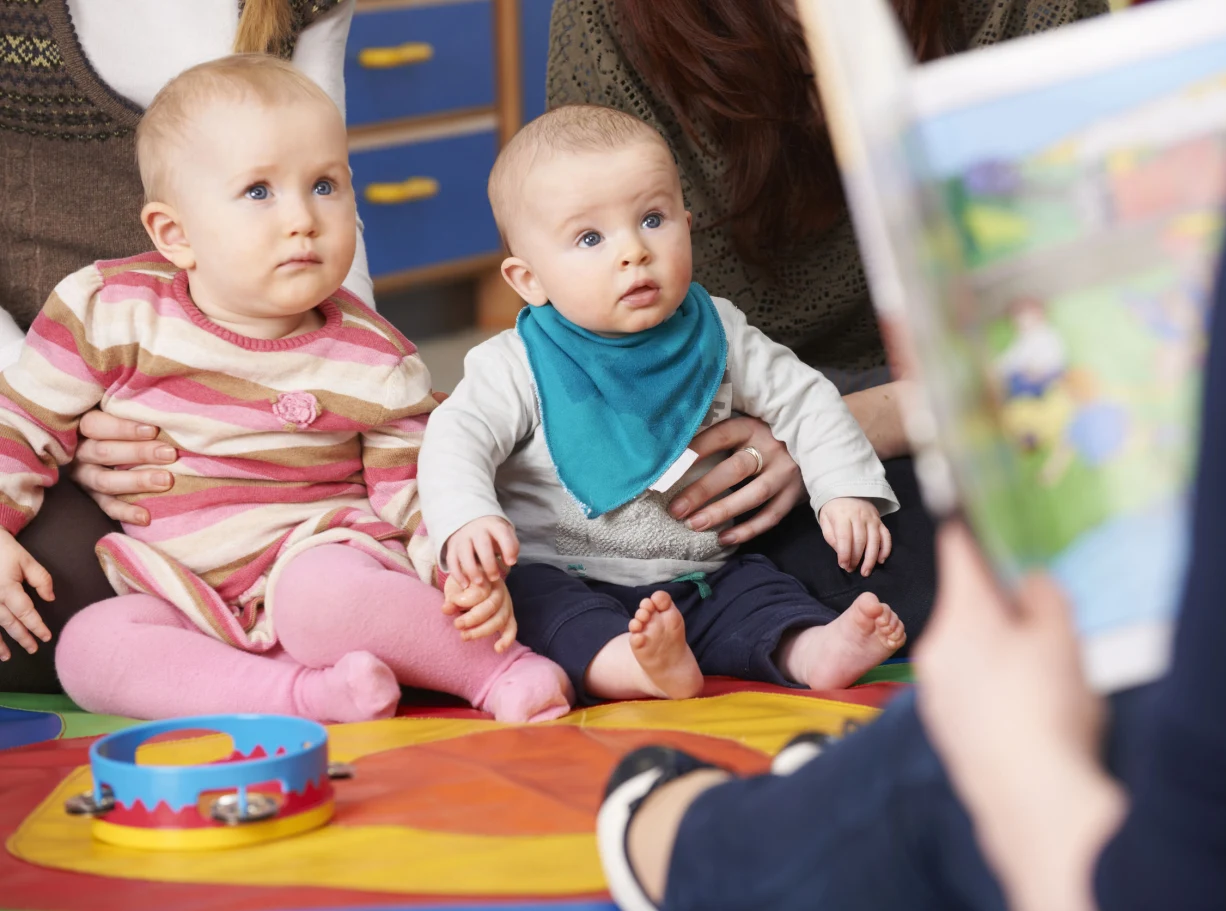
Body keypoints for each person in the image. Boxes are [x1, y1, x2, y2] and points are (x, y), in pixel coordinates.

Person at [592, 19, 1226, 910]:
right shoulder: (628, 32)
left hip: (936, 429)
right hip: (795, 450)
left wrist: (1014, 757)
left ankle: (728, 849)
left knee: (1011, 697)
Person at [0, 56, 572, 725]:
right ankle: (303, 694)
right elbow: (23, 421)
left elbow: (414, 488)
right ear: (174, 234)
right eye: (259, 192)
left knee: (321, 601)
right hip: (181, 587)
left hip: (321, 554)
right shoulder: (109, 308)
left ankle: (500, 671)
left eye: (325, 185)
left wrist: (456, 573)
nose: (302, 218)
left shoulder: (374, 357)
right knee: (91, 651)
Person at [542, 0, 1111, 646]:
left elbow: (1108, 290)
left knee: (1057, 568)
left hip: (992, 386)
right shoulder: (612, 17)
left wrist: (839, 426)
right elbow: (588, 294)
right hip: (731, 436)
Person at [418, 104, 907, 706]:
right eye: (590, 237)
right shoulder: (515, 362)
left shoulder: (719, 333)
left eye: (652, 219)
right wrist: (466, 518)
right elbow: (455, 435)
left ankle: (811, 649)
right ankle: (633, 665)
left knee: (761, 594)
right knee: (539, 614)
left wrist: (842, 488)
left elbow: (805, 399)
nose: (633, 251)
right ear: (529, 280)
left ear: (687, 221)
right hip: (561, 571)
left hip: (699, 575)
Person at [0, 0, 374, 691]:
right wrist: (65, 418)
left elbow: (318, 200)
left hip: (237, 388)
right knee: (37, 607)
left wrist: (343, 378)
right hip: (41, 368)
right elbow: (23, 416)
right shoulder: (95, 308)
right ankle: (283, 682)